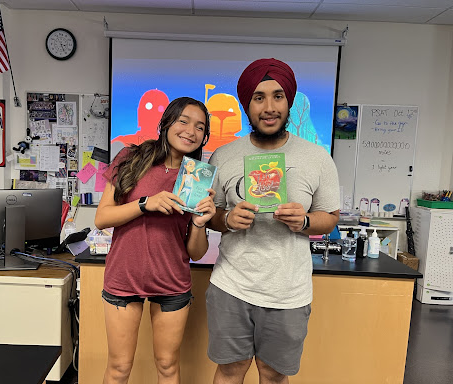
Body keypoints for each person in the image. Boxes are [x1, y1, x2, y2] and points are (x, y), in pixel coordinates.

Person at [206, 58, 340, 384]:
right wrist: (228, 218)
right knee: (230, 370)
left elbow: (331, 217)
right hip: (231, 285)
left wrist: (305, 221)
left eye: (278, 96)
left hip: (289, 291)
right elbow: (209, 215)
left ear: (289, 101)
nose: (269, 107)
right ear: (246, 105)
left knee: (274, 375)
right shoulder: (222, 156)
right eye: (259, 97)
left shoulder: (317, 157)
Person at [95, 97, 216, 384]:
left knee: (167, 366)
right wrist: (144, 203)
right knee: (119, 367)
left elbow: (196, 253)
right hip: (124, 277)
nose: (191, 131)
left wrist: (199, 224)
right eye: (183, 121)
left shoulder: (197, 178)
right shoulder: (131, 157)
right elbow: (102, 219)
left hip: (172, 280)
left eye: (200, 127)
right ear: (166, 123)